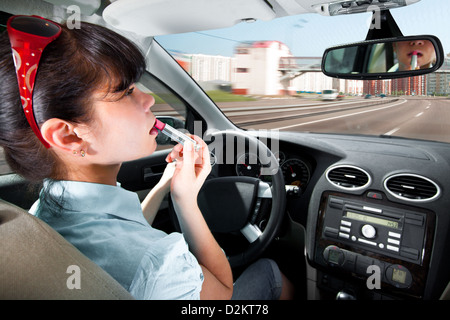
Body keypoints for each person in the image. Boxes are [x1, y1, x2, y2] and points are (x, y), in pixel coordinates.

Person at [0, 16, 294, 300]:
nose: (148, 99)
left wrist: (165, 185)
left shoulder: (45, 210)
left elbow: (123, 228)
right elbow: (222, 289)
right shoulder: (155, 264)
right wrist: (186, 201)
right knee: (270, 273)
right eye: (126, 92)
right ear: (69, 136)